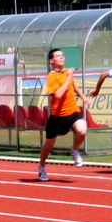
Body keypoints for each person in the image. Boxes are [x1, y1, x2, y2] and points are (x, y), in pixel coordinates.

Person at [38, 49, 91, 181]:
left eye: (62, 55)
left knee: (82, 130)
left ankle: (74, 150)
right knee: (49, 145)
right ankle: (42, 167)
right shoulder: (51, 76)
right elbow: (58, 94)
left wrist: (83, 98)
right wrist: (67, 78)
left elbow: (74, 86)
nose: (61, 57)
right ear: (51, 61)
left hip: (72, 111)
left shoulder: (67, 72)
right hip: (57, 117)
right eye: (58, 56)